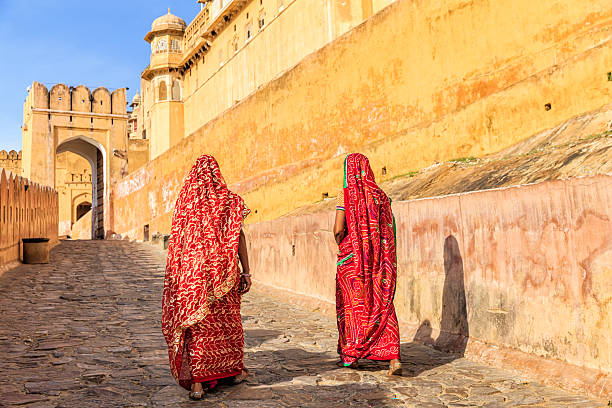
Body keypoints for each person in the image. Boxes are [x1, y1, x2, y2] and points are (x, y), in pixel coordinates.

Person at [162, 155, 252, 400]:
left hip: (194, 280)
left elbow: (177, 246)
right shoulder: (230, 202)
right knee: (226, 325)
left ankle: (198, 385)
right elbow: (239, 237)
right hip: (224, 277)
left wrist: (177, 281)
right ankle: (233, 371)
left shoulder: (185, 204)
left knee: (198, 329)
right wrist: (246, 270)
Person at [333, 153, 402, 375]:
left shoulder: (345, 197)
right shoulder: (381, 197)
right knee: (381, 304)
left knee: (353, 307)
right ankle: (393, 357)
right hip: (379, 263)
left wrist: (342, 245)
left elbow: (338, 229)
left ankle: (351, 354)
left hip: (351, 262)